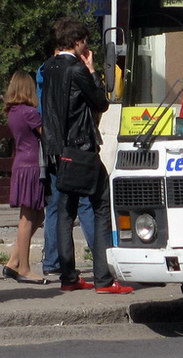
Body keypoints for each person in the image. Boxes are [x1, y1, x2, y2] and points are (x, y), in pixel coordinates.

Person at [40, 18, 132, 294]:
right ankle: (104, 278)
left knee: (64, 211)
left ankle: (68, 277)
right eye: (85, 42)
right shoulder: (76, 69)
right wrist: (92, 70)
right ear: (78, 42)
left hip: (55, 149)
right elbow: (101, 102)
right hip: (80, 149)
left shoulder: (48, 67)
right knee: (101, 206)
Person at [37, 58, 96, 277]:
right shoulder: (70, 71)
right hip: (73, 146)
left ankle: (52, 260)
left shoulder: (44, 72)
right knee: (86, 203)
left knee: (55, 206)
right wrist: (91, 72)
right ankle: (101, 258)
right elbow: (96, 102)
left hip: (51, 146)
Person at [2, 71, 50, 284]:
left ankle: (13, 262)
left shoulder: (12, 112)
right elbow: (46, 134)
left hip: (20, 163)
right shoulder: (30, 113)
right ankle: (25, 268)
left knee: (38, 216)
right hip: (32, 165)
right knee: (28, 218)